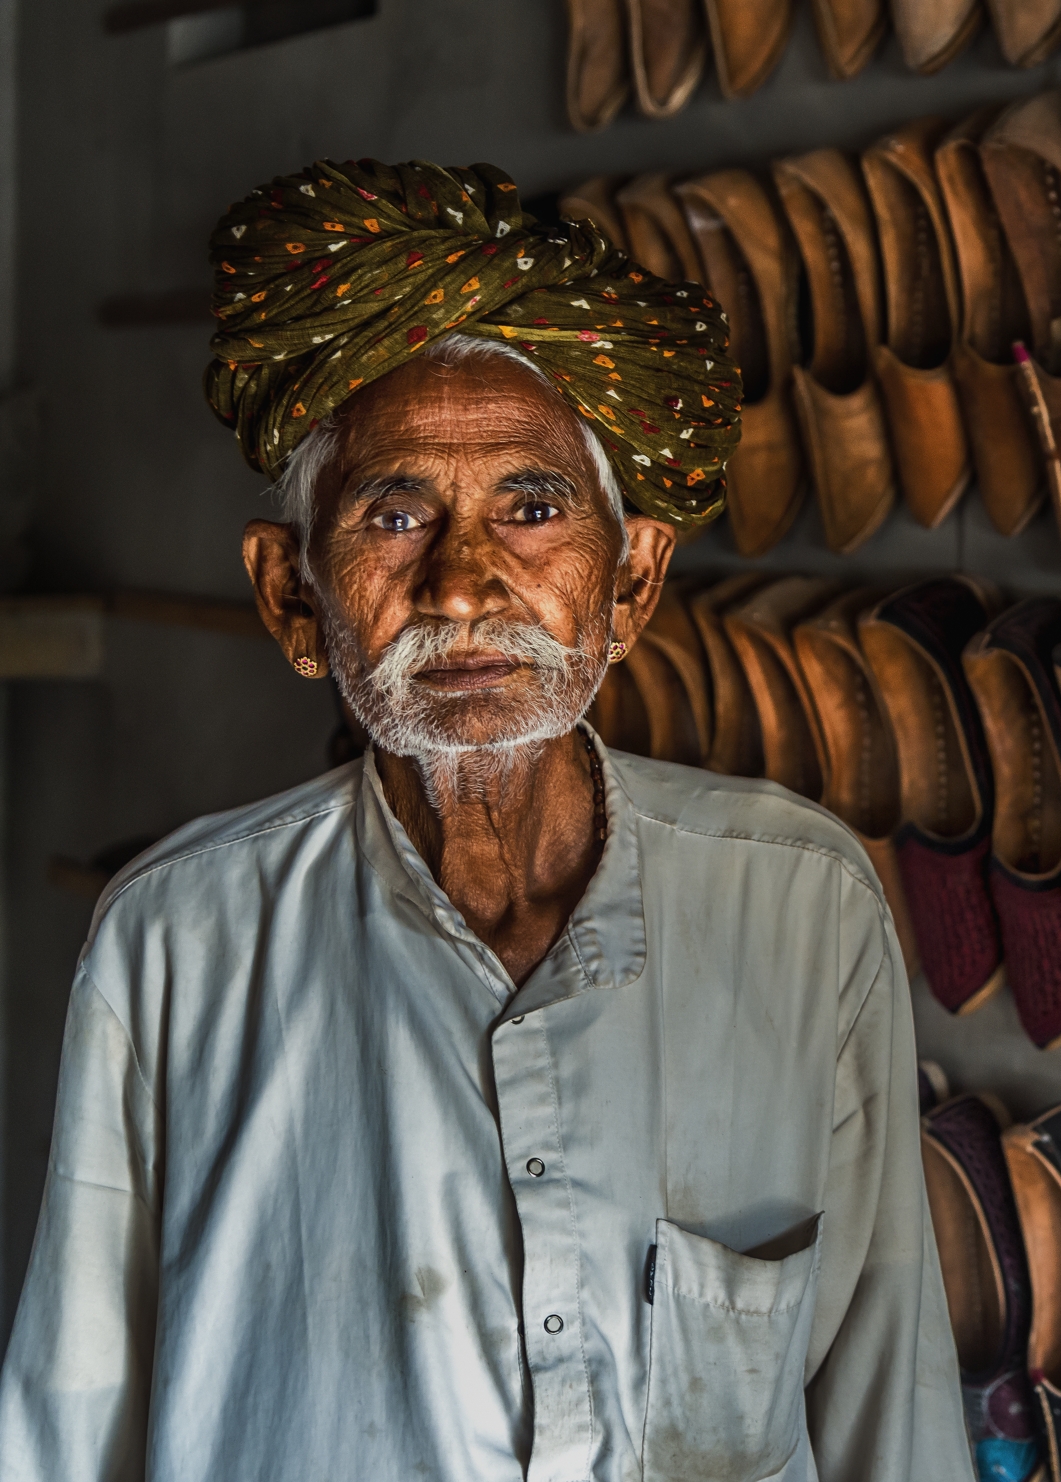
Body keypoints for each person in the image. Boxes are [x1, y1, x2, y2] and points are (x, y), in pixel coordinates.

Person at [0, 158, 969, 1482]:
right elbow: (66, 1428)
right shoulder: (176, 943)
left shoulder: (798, 906)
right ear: (293, 596)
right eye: (393, 514)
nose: (463, 585)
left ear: (629, 582)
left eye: (531, 507)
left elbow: (886, 1412)